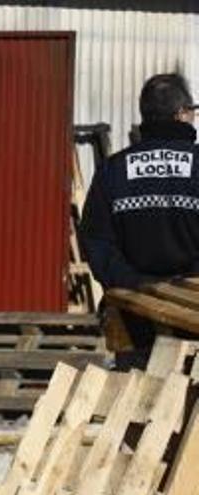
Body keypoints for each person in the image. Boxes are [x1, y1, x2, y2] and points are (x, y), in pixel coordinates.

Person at [80, 73, 199, 370]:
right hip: (196, 317)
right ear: (181, 113)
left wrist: (134, 286)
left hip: (134, 318)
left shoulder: (113, 170)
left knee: (137, 407)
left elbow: (96, 241)